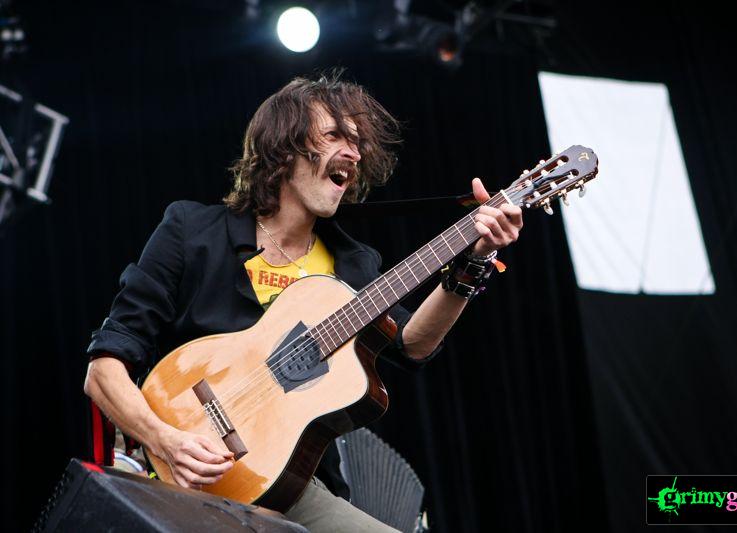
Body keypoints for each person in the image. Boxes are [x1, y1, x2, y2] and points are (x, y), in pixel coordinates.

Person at [83, 72, 523, 532]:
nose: (353, 152)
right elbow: (104, 368)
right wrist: (166, 441)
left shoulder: (351, 265)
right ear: (282, 149)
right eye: (334, 135)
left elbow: (411, 344)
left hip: (289, 486)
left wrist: (473, 261)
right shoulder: (191, 231)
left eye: (357, 142)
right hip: (175, 472)